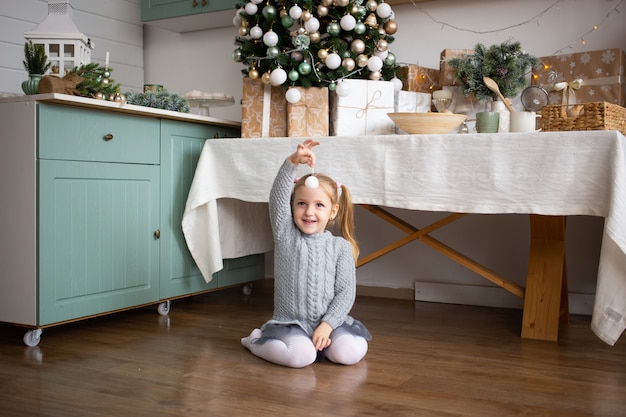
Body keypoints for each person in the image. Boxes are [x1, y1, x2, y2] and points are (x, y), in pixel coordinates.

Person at [241, 139, 371, 368]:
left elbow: (345, 293)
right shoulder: (285, 236)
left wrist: (328, 325)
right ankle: (255, 342)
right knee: (302, 357)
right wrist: (291, 163)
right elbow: (277, 199)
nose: (309, 212)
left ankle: (326, 343)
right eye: (301, 203)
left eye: (319, 205)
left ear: (333, 211)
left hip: (331, 324)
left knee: (349, 354)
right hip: (291, 324)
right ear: (292, 206)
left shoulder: (340, 247)